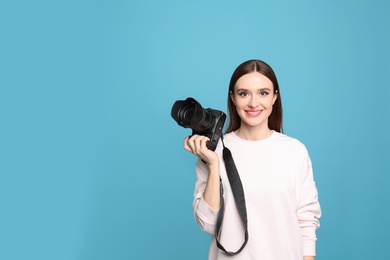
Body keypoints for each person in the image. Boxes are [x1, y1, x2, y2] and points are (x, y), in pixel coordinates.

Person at [184, 59, 321, 260]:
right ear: (233, 98)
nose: (253, 103)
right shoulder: (214, 150)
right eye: (243, 93)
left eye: (263, 93)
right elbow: (209, 224)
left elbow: (306, 222)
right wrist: (213, 164)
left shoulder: (294, 151)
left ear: (275, 97)